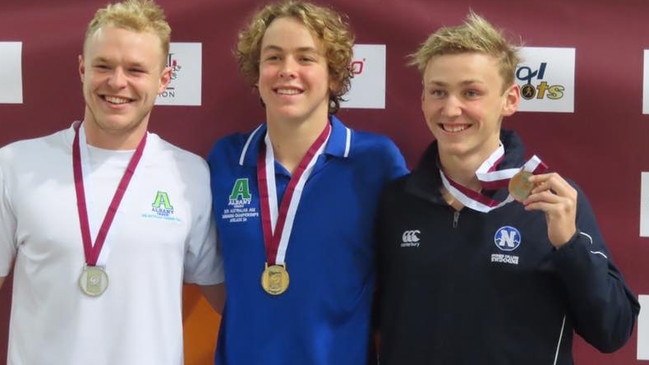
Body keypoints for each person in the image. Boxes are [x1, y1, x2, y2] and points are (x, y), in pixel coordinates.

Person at [376, 12, 640, 365]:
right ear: (423, 99)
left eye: (471, 92)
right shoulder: (396, 202)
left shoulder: (550, 201)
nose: (451, 108)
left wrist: (569, 245)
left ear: (510, 99)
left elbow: (613, 331)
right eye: (438, 91)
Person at [0, 0, 225, 364]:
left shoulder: (190, 175)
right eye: (103, 65)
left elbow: (234, 303)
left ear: (164, 79)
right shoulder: (15, 165)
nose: (117, 82)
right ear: (82, 69)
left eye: (136, 69)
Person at [207, 1, 408, 364]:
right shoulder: (226, 159)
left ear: (334, 75)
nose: (287, 71)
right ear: (256, 72)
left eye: (305, 58)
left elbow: (411, 271)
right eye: (273, 58)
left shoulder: (375, 161)